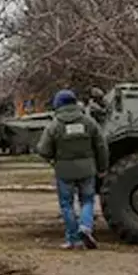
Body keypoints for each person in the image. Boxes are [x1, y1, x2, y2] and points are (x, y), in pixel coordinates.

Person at [35, 89, 110, 250]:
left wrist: (53, 157)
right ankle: (85, 227)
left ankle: (73, 240)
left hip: (64, 171)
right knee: (87, 200)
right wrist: (102, 167)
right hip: (87, 169)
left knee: (66, 204)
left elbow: (43, 150)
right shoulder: (89, 122)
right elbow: (101, 146)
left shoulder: (54, 125)